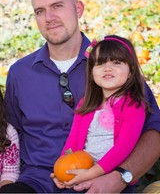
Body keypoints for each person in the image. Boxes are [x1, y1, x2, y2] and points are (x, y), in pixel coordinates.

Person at [0, 0, 160, 193]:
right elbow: (10, 134)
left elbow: (154, 129)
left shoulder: (114, 66)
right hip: (37, 183)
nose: (49, 18)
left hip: (102, 180)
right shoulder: (20, 73)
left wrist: (121, 176)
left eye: (57, 6)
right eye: (40, 11)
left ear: (78, 9)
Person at [51, 35, 150, 192]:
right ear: (91, 72)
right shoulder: (86, 104)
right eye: (100, 63)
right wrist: (62, 171)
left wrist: (92, 173)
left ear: (130, 71)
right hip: (84, 170)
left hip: (112, 176)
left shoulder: (133, 106)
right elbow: (73, 141)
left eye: (116, 63)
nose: (107, 68)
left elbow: (123, 148)